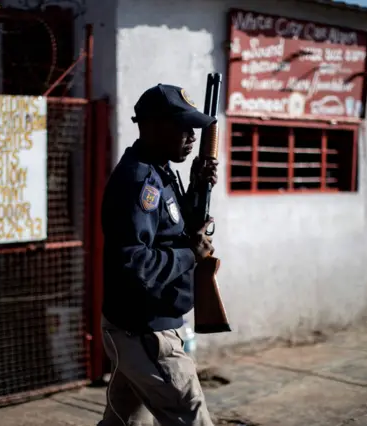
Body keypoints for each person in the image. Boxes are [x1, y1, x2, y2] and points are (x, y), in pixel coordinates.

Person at [98, 83, 219, 426]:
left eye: (194, 129)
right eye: (182, 127)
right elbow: (134, 262)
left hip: (139, 328)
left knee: (125, 423)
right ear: (150, 126)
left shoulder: (160, 170)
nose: (191, 136)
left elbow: (171, 232)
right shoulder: (140, 182)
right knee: (192, 419)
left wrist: (196, 188)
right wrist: (190, 254)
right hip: (145, 332)